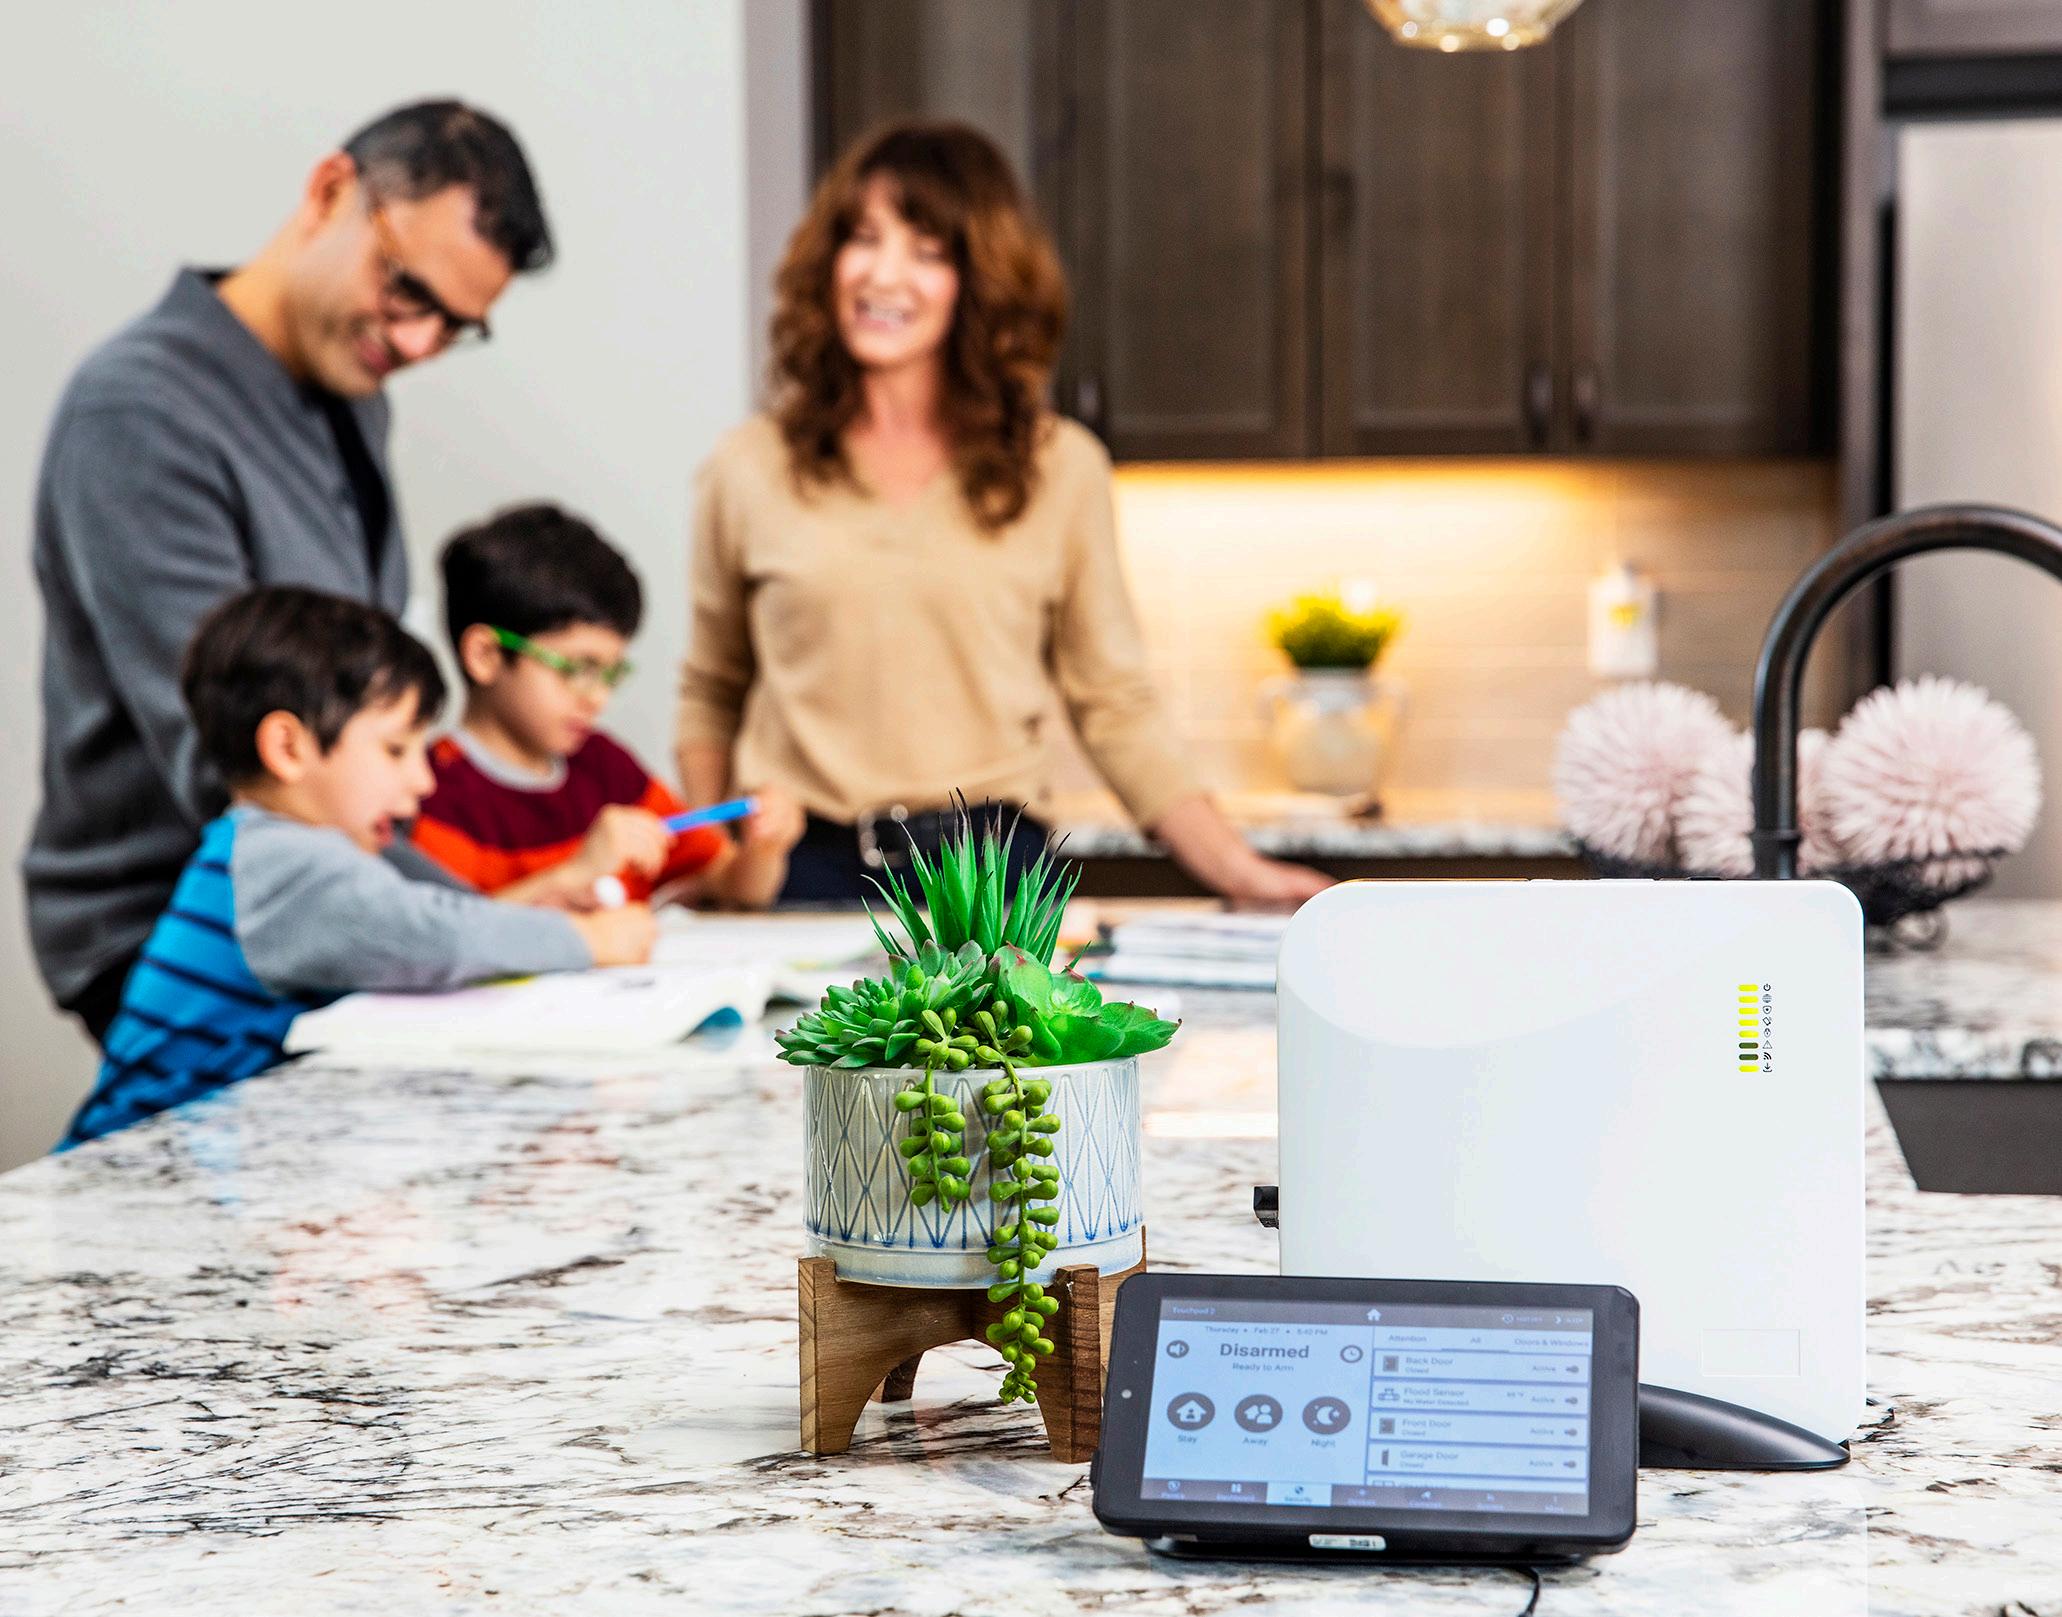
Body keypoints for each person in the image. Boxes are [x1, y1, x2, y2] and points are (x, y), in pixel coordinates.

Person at [677, 121, 1332, 905]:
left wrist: (1239, 870)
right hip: (802, 874)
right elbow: (710, 689)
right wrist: (715, 867)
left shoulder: (1061, 468)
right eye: (862, 239)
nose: (883, 274)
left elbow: (1115, 704)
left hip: (996, 869)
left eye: (927, 251)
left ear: (980, 281)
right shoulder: (748, 467)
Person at [26, 99, 553, 1046]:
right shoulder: (140, 412)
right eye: (408, 289)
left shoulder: (350, 396)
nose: (418, 343)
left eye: (454, 327)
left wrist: (489, 917)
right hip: (187, 930)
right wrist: (488, 927)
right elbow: (239, 768)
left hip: (325, 894)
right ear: (329, 192)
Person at [62, 588, 655, 1149]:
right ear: (289, 748)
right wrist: (591, 940)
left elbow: (429, 920)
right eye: (396, 750)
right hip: (130, 1169)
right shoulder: (288, 862)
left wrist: (544, 901)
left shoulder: (268, 849)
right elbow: (431, 935)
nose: (422, 781)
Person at [411, 503, 804, 907]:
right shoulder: (428, 795)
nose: (598, 697)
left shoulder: (607, 770)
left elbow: (728, 885)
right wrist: (575, 875)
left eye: (610, 674)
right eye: (578, 668)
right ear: (486, 656)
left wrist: (764, 849)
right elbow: (450, 933)